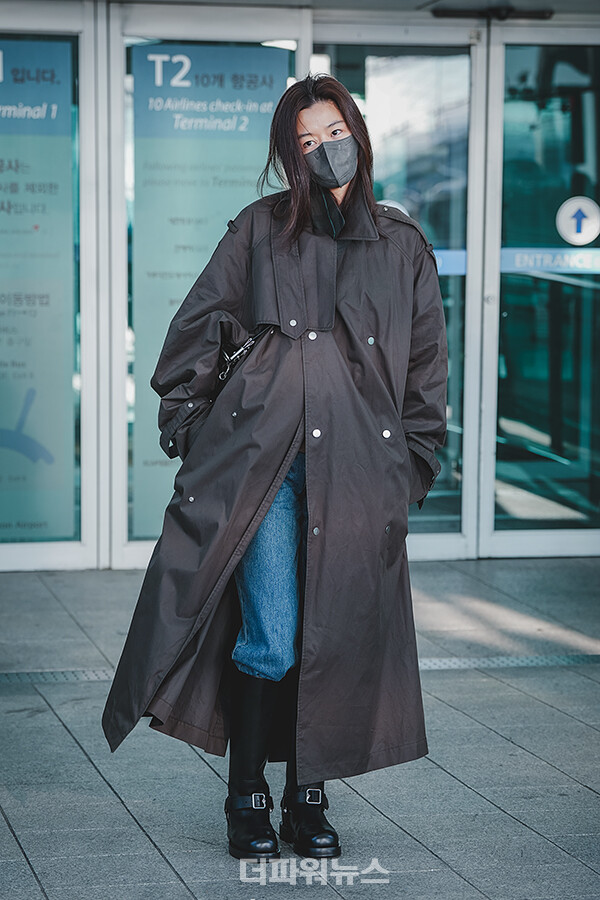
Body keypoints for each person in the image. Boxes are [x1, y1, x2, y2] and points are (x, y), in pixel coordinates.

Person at [102, 73, 448, 863]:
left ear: (357, 133)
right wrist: (206, 441)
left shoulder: (402, 248)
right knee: (274, 636)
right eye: (306, 143)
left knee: (332, 637)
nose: (325, 151)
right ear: (288, 159)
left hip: (360, 481)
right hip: (268, 475)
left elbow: (427, 378)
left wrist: (408, 473)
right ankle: (247, 793)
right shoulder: (260, 232)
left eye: (334, 133)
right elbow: (193, 334)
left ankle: (308, 795)